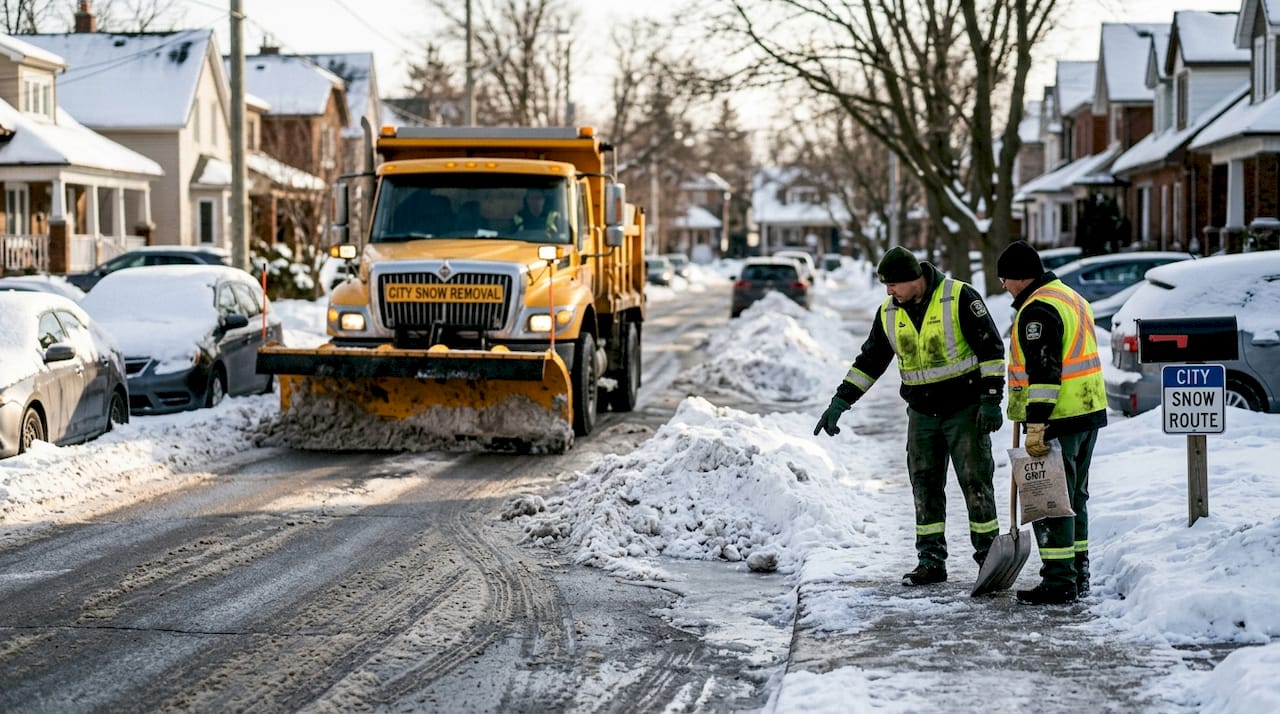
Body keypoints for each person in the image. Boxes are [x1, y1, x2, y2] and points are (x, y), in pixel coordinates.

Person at [814, 246, 1006, 586]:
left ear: (914, 279)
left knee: (975, 482)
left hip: (964, 410)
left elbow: (991, 349)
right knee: (925, 485)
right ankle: (930, 560)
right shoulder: (889, 312)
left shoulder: (959, 297)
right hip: (922, 413)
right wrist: (840, 403)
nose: (889, 291)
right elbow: (870, 361)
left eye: (893, 285)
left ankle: (988, 558)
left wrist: (991, 399)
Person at [997, 240, 1107, 605]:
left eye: (1006, 279)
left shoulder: (1037, 310)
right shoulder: (1070, 297)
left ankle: (1059, 581)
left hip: (1058, 417)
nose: (1004, 287)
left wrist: (1036, 425)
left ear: (1019, 278)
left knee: (1050, 502)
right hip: (1087, 411)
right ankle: (1078, 572)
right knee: (1075, 498)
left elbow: (1044, 373)